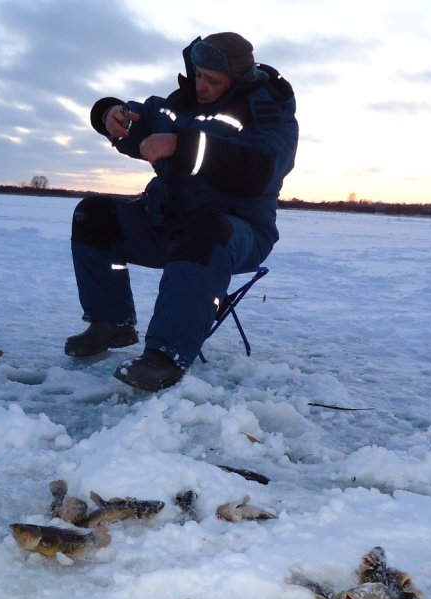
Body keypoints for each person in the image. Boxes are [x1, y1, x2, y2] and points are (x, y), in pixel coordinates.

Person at [65, 32, 299, 392]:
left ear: (237, 78)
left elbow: (256, 171)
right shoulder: (178, 105)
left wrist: (180, 145)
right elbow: (137, 123)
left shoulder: (268, 111)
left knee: (205, 232)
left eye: (213, 80)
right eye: (198, 74)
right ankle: (111, 323)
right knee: (93, 215)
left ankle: (165, 356)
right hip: (167, 218)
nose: (201, 85)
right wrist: (109, 114)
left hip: (237, 230)